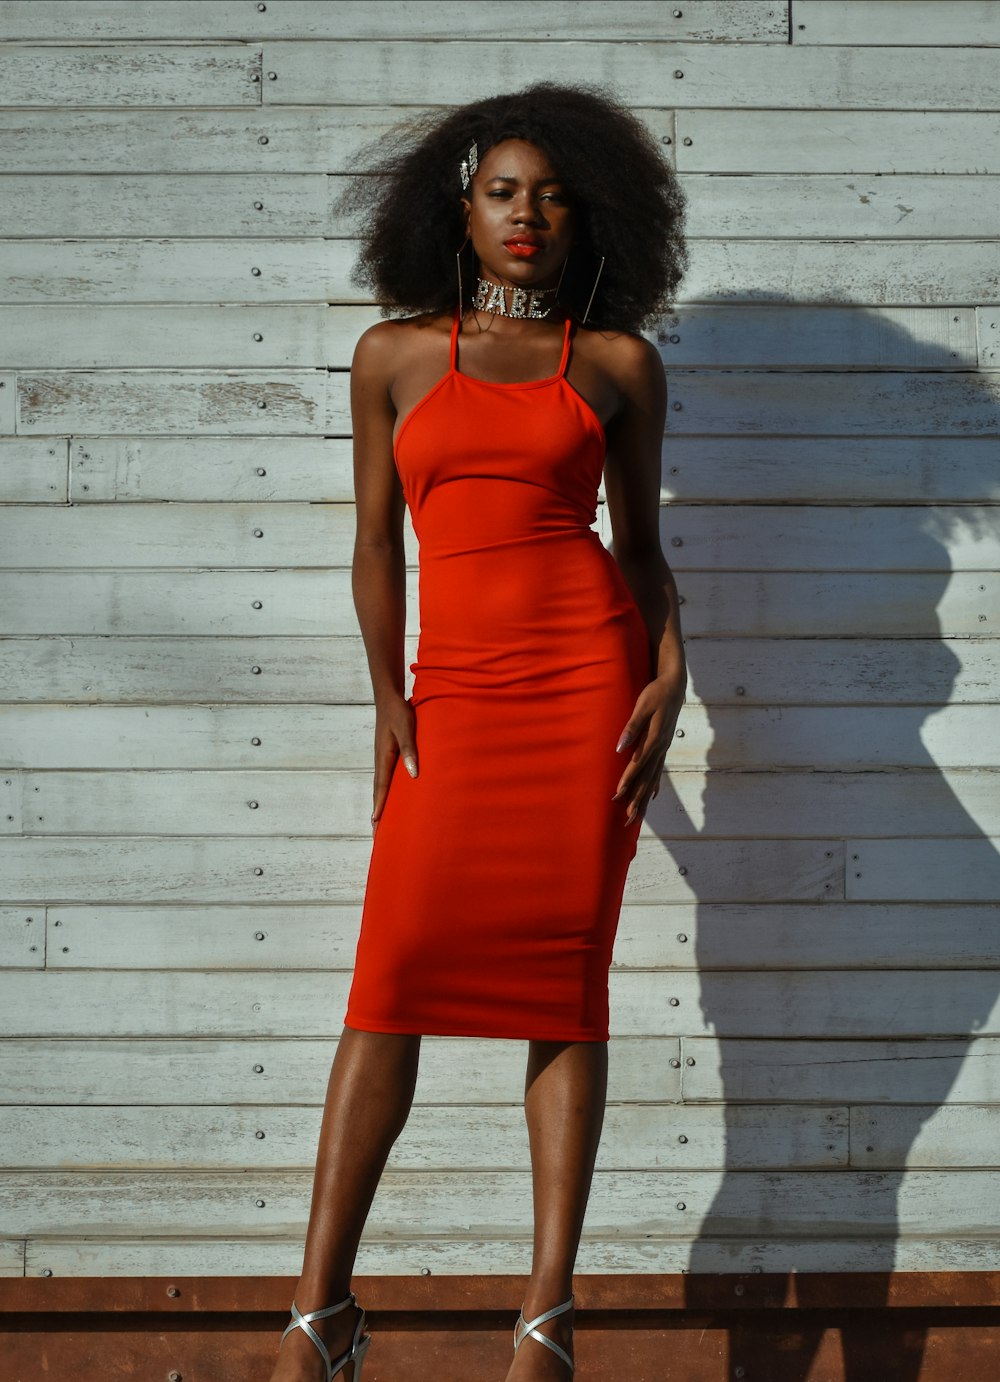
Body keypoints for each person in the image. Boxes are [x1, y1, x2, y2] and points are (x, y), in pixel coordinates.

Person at [271, 82, 689, 1382]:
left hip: (584, 696)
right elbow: (373, 544)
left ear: (586, 217)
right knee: (387, 982)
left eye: (552, 196)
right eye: (505, 192)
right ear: (461, 208)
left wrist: (670, 671)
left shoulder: (614, 365)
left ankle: (547, 1320)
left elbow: (645, 550)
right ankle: (317, 1312)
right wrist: (390, 692)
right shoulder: (396, 355)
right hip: (452, 696)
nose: (528, 215)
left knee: (565, 994)